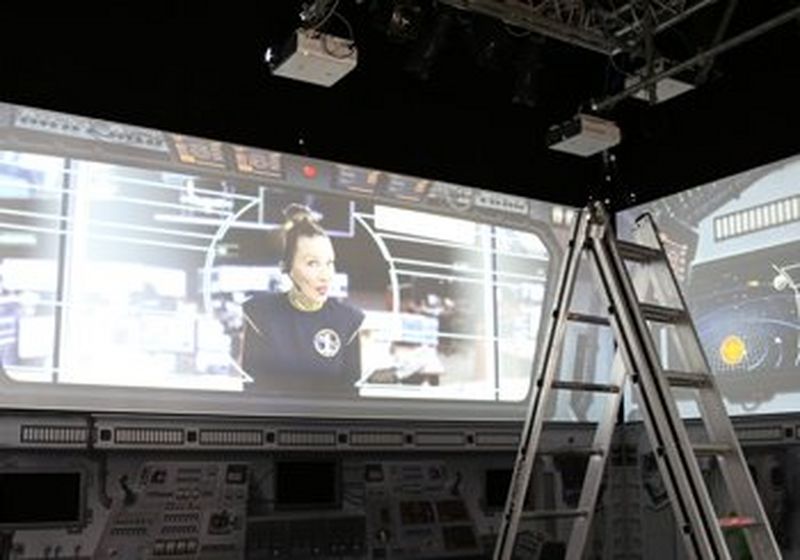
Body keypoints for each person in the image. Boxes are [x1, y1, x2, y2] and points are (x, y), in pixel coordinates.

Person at [240, 204, 364, 394]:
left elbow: (351, 395)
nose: (325, 275)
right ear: (286, 267)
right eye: (312, 263)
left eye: (330, 263)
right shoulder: (260, 315)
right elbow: (250, 389)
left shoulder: (349, 321)